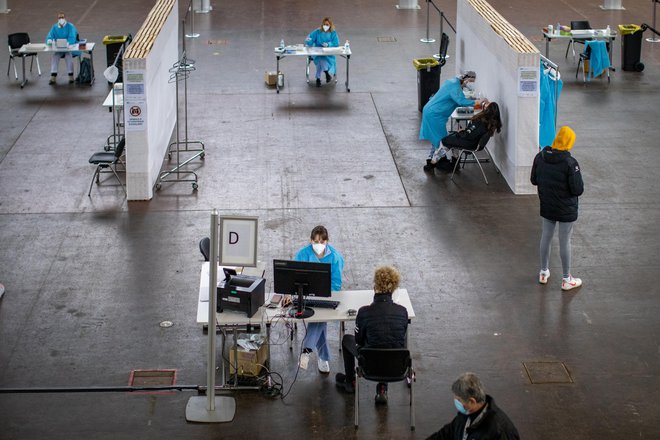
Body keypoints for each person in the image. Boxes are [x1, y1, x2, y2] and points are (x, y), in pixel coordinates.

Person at [335, 266, 408, 405]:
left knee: (347, 340)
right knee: (387, 343)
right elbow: (401, 337)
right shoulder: (403, 312)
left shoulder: (364, 312)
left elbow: (358, 340)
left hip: (369, 366)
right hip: (396, 367)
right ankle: (382, 388)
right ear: (393, 289)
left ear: (375, 287)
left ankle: (349, 382)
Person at [530, 126, 584, 291]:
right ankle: (566, 279)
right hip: (565, 209)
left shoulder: (540, 157)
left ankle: (543, 271)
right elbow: (578, 190)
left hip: (547, 204)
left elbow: (534, 180)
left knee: (546, 236)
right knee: (564, 241)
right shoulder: (570, 163)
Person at [294, 225, 345, 373]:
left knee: (319, 318)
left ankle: (307, 351)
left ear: (327, 241)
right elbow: (293, 276)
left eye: (322, 241)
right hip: (306, 296)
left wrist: (325, 294)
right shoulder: (302, 254)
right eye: (316, 241)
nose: (319, 244)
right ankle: (322, 357)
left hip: (327, 296)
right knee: (320, 320)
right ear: (311, 241)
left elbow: (336, 284)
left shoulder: (335, 257)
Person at [420, 71, 483, 171]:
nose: (468, 85)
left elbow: (456, 99)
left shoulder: (451, 82)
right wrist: (478, 102)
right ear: (466, 80)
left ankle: (434, 159)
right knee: (442, 140)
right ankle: (431, 164)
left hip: (432, 111)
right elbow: (460, 101)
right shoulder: (455, 87)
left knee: (437, 138)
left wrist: (471, 100)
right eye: (469, 82)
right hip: (434, 115)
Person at [425, 373, 520, 440]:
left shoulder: (500, 431)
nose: (456, 403)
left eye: (459, 400)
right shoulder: (465, 415)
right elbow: (447, 433)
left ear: (472, 401)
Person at [430, 101, 502, 172]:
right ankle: (455, 163)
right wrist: (463, 131)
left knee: (445, 140)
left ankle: (432, 163)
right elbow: (473, 132)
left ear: (487, 109)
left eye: (486, 106)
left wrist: (461, 132)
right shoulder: (490, 122)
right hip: (475, 142)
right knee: (452, 138)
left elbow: (469, 135)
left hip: (471, 143)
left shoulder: (481, 121)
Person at [305, 17, 340, 88]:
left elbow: (336, 43)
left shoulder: (333, 33)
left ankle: (318, 78)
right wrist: (308, 40)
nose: (325, 26)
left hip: (328, 54)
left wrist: (329, 44)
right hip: (318, 52)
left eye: (327, 24)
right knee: (320, 58)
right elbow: (310, 38)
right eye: (324, 24)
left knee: (321, 60)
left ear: (330, 25)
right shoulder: (317, 31)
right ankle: (326, 74)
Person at [45, 12, 78, 84]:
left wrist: (68, 43)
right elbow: (50, 36)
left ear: (65, 18)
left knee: (68, 56)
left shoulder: (70, 26)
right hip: (58, 49)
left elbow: (72, 37)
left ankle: (71, 76)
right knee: (55, 57)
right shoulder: (54, 27)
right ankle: (53, 76)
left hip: (68, 48)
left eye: (62, 17)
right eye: (59, 18)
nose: (61, 19)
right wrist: (49, 40)